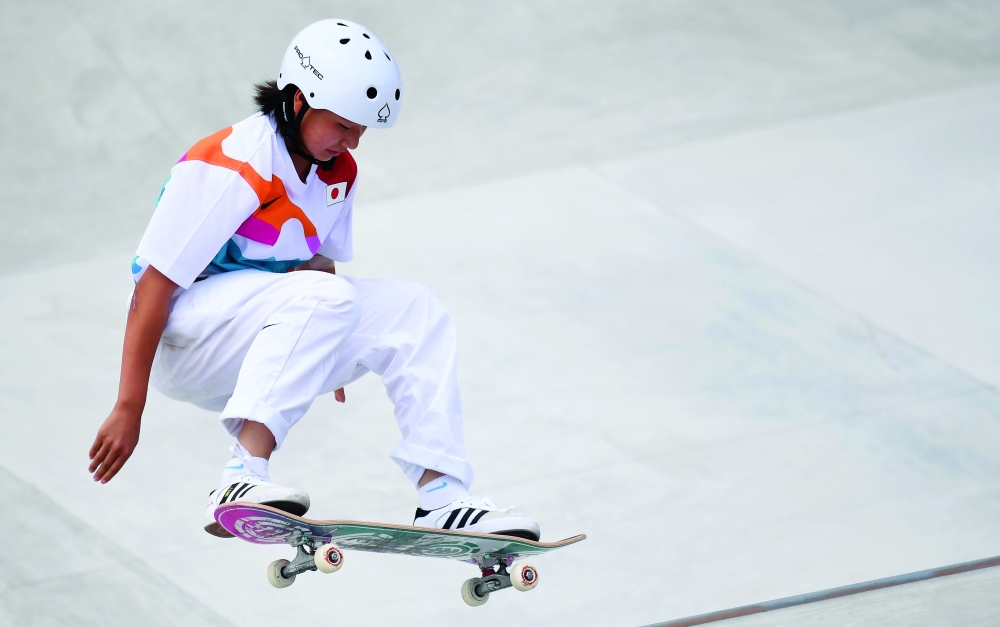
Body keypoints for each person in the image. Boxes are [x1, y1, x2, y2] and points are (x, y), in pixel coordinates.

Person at [87, 19, 539, 541]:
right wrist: (129, 405)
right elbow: (152, 288)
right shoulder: (232, 162)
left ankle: (442, 494)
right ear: (299, 100)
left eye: (363, 131)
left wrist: (328, 341)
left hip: (256, 339)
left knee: (417, 309)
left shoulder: (336, 172)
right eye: (344, 125)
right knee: (329, 296)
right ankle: (242, 476)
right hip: (182, 341)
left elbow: (317, 268)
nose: (353, 143)